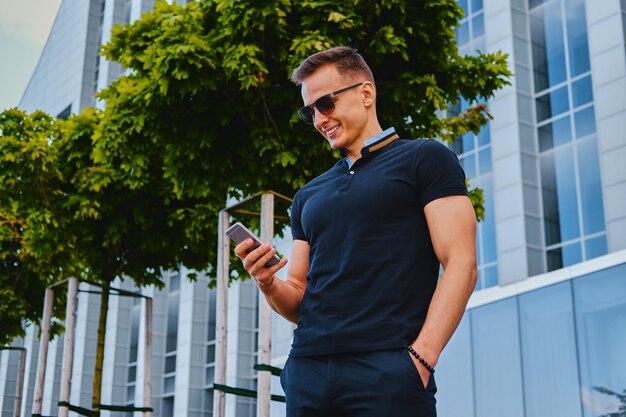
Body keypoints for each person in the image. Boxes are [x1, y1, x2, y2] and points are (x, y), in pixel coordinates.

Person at [234, 46, 477, 417]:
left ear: (366, 93)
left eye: (326, 103)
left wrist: (423, 357)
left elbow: (461, 262)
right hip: (308, 371)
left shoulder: (424, 159)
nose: (318, 119)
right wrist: (267, 282)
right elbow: (299, 295)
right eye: (309, 111)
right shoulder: (307, 196)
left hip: (388, 371)